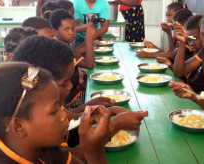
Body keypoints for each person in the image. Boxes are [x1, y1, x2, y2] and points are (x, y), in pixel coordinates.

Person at [12, 35, 149, 147]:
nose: (70, 86)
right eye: (64, 82)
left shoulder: (44, 105)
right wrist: (114, 126)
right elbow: (76, 155)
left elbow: (71, 119)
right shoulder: (37, 125)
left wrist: (107, 110)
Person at [0, 62, 111, 163]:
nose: (64, 115)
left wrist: (92, 146)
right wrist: (94, 151)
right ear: (19, 127)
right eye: (53, 112)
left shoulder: (42, 147)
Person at [49, 9, 96, 108]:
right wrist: (88, 39)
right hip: (70, 100)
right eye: (66, 29)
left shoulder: (57, 43)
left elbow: (74, 52)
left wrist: (88, 45)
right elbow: (89, 65)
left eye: (73, 28)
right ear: (55, 31)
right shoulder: (60, 47)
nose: (71, 33)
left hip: (73, 90)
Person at [157, 15, 204, 95]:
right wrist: (183, 42)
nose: (191, 43)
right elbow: (179, 73)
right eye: (189, 40)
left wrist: (148, 54)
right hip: (191, 95)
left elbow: (172, 54)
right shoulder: (198, 52)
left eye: (195, 39)